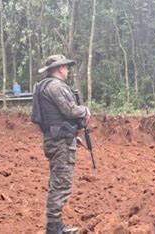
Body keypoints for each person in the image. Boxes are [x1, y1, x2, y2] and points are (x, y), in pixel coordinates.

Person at [31, 54, 90, 234]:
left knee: (58, 181)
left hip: (56, 138)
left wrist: (72, 135)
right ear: (60, 68)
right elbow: (70, 110)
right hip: (59, 142)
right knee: (61, 184)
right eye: (65, 67)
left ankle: (56, 225)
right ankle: (54, 228)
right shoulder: (56, 86)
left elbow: (55, 117)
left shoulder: (44, 86)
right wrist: (85, 110)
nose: (67, 70)